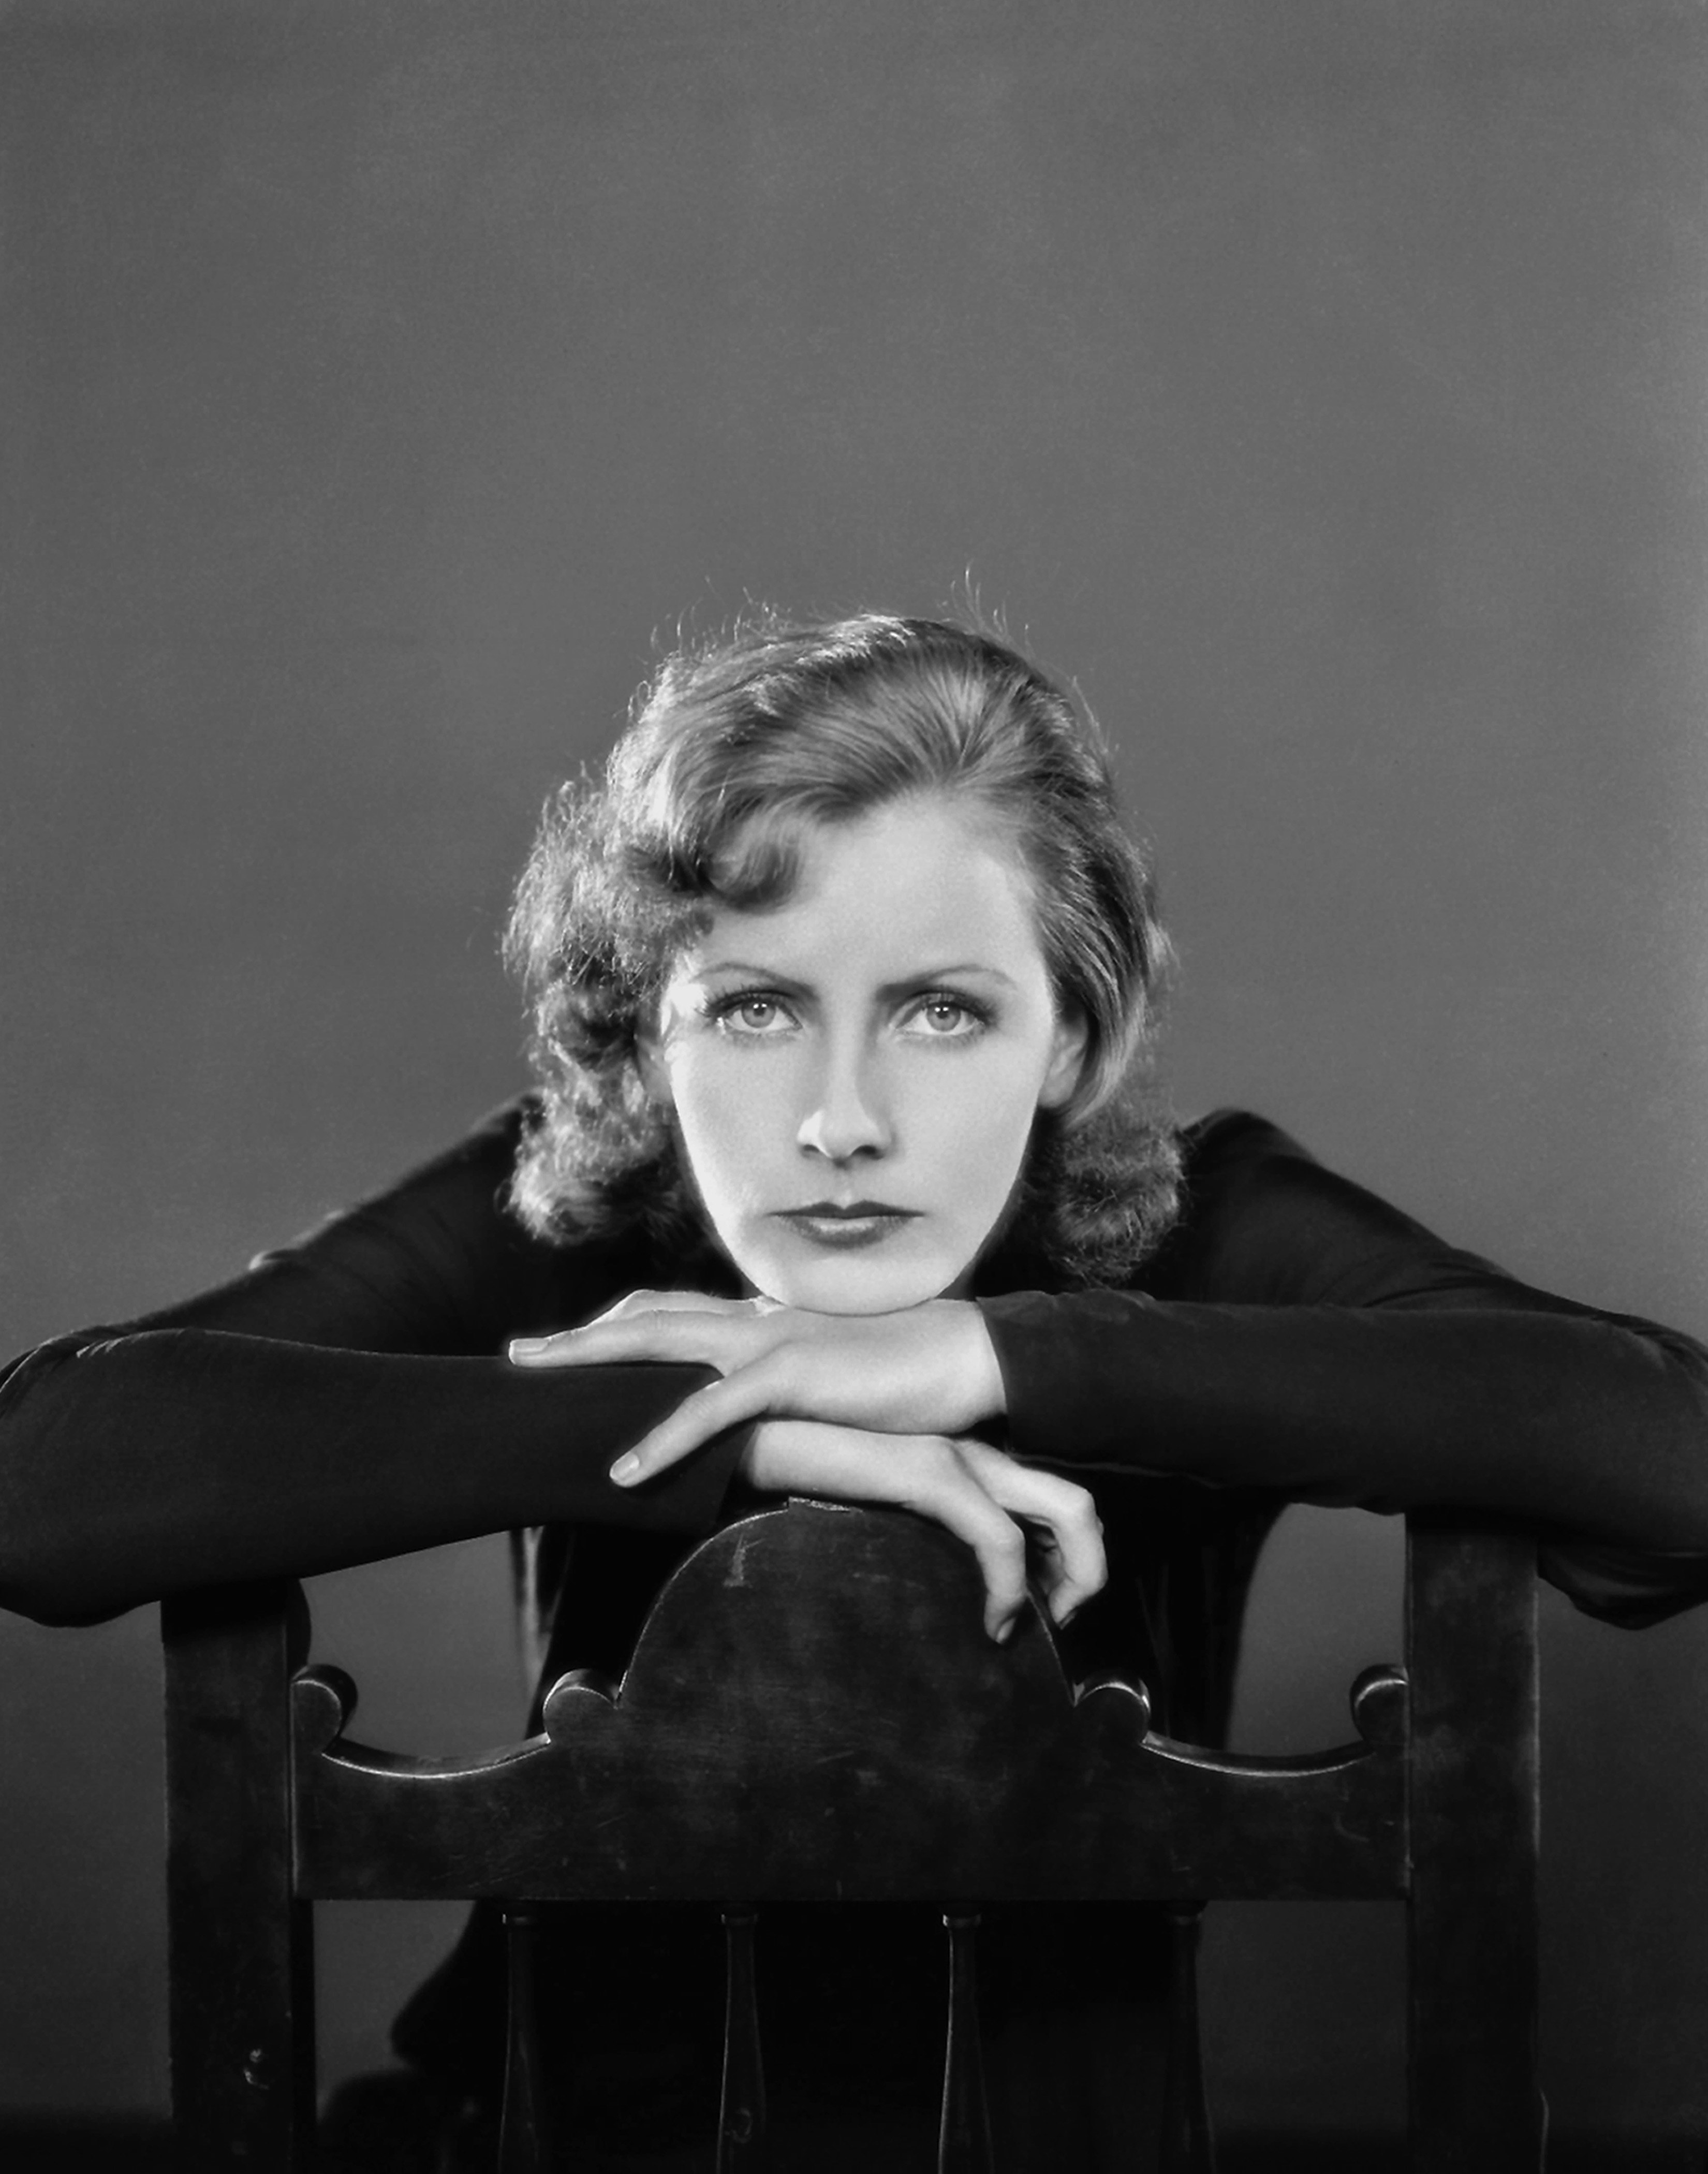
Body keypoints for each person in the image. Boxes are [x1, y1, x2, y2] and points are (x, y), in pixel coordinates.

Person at [5, 612, 1708, 2169]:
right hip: (510, 2143)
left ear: (1070, 1036)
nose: (841, 1121)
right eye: (751, 1008)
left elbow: (1670, 1466)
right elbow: (49, 1478)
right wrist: (729, 1406)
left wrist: (992, 1353)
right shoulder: (586, 1212)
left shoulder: (1203, 1229)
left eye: (942, 1015)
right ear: (644, 1038)